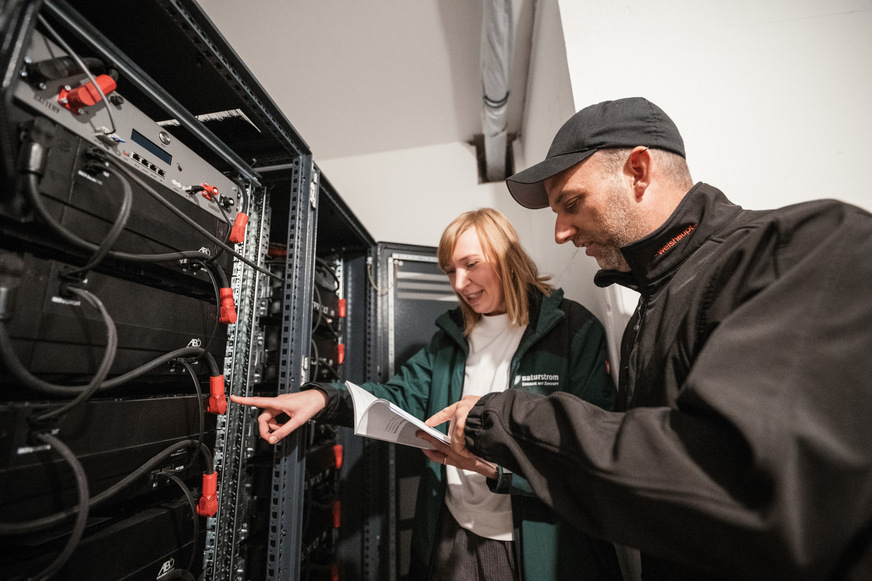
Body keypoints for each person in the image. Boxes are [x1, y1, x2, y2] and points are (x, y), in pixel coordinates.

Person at [420, 98, 872, 580]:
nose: (560, 232)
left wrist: (505, 417)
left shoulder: (801, 249)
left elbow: (749, 485)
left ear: (638, 170)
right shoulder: (646, 313)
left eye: (571, 203)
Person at [230, 208, 622, 581]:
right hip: (452, 532)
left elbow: (589, 451)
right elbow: (395, 396)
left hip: (537, 542)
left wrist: (494, 470)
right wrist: (320, 398)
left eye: (470, 264)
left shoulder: (572, 330)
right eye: (450, 270)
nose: (458, 283)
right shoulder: (450, 341)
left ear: (508, 257)